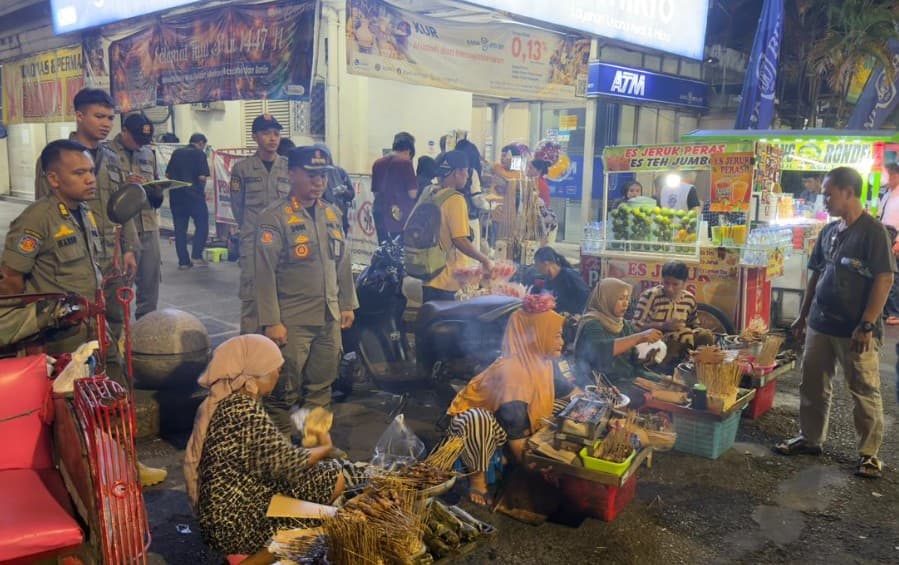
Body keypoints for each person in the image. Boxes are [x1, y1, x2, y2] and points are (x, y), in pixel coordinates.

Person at [5, 139, 166, 487]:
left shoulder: (86, 214)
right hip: (59, 338)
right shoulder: (36, 219)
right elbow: (11, 278)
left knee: (113, 397)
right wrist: (27, 328)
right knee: (69, 415)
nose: (90, 179)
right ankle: (77, 481)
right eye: (79, 173)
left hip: (93, 328)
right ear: (53, 179)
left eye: (91, 171)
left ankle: (125, 466)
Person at [185, 335, 362, 559]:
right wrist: (324, 444)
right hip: (233, 523)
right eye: (275, 370)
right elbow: (287, 465)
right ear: (257, 374)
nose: (278, 375)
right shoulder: (243, 411)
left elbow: (271, 462)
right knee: (330, 482)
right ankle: (256, 558)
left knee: (322, 475)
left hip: (231, 507)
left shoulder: (231, 401)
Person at [776, 167, 896, 479]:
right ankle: (811, 438)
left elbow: (884, 279)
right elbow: (815, 273)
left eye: (829, 194)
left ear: (848, 192)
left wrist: (867, 324)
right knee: (813, 384)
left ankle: (868, 454)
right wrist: (802, 317)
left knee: (863, 389)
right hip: (820, 323)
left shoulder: (873, 232)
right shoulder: (830, 231)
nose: (824, 199)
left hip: (854, 329)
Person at [255, 146, 358, 435]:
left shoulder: (331, 212)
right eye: (311, 175)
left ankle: (315, 446)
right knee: (282, 393)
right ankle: (283, 455)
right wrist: (271, 321)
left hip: (328, 317)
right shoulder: (274, 217)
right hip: (292, 321)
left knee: (321, 388)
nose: (319, 182)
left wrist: (347, 303)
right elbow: (263, 274)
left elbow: (342, 262)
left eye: (323, 175)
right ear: (291, 174)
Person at [445, 295, 576, 505]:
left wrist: (596, 404)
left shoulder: (541, 361)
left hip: (507, 423)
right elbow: (515, 432)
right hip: (476, 430)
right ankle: (477, 481)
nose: (562, 342)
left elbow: (569, 392)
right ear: (537, 335)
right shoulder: (513, 371)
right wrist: (539, 467)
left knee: (566, 408)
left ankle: (506, 460)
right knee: (476, 420)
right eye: (557, 336)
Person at [34, 88, 139, 345]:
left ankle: (111, 377)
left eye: (110, 118)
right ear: (79, 116)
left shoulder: (113, 159)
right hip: (73, 258)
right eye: (99, 116)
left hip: (110, 255)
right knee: (75, 324)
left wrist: (129, 249)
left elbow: (122, 208)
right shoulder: (56, 159)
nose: (106, 124)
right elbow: (44, 211)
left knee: (114, 319)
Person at [230, 114, 291, 334]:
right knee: (252, 297)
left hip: (284, 241)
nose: (272, 138)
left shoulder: (288, 167)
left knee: (283, 293)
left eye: (276, 133)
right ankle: (249, 352)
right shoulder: (242, 169)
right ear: (255, 137)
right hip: (253, 242)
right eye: (266, 133)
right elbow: (238, 207)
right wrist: (251, 228)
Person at [573, 278, 664, 405]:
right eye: (620, 298)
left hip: (625, 380)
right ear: (607, 298)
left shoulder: (624, 325)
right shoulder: (592, 323)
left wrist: (660, 378)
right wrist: (639, 337)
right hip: (600, 385)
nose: (625, 303)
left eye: (627, 298)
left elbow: (633, 365)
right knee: (646, 399)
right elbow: (600, 350)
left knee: (665, 389)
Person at [108, 113, 163, 318]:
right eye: (137, 140)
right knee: (119, 287)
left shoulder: (148, 153)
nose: (140, 146)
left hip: (148, 224)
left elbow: (155, 187)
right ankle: (121, 337)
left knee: (150, 284)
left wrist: (157, 190)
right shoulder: (106, 154)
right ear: (123, 131)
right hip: (121, 229)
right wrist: (125, 185)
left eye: (144, 141)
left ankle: (145, 334)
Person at [420, 151, 493, 303]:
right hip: (449, 281)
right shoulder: (455, 199)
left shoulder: (429, 192)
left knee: (430, 323)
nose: (467, 176)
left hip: (428, 276)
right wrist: (484, 259)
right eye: (465, 171)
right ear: (456, 172)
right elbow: (460, 239)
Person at [632, 261, 714, 366]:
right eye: (666, 283)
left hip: (681, 344)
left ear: (684, 283)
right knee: (675, 340)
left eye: (675, 284)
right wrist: (663, 326)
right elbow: (635, 326)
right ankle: (663, 373)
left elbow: (694, 324)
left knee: (705, 335)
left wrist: (691, 331)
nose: (669, 288)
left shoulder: (689, 299)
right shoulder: (650, 296)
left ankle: (702, 370)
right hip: (653, 346)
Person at [166, 133, 211, 270]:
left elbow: (168, 175)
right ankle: (196, 255)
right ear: (201, 143)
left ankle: (183, 262)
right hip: (194, 196)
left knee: (180, 229)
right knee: (202, 224)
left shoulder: (176, 153)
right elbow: (202, 177)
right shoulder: (199, 154)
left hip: (176, 196)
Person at [371, 131, 418, 243]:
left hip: (380, 212)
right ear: (409, 151)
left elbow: (376, 192)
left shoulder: (378, 163)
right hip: (399, 215)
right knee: (398, 251)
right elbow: (413, 194)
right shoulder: (405, 163)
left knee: (384, 248)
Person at [533, 246, 589, 315]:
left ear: (546, 263)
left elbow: (585, 297)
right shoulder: (548, 279)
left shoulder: (569, 276)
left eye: (537, 264)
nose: (536, 268)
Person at [316, 143, 356, 234]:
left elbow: (351, 194)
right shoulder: (309, 174)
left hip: (340, 216)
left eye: (323, 156)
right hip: (319, 218)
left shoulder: (340, 172)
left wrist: (343, 191)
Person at [877, 162, 899, 324]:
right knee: (886, 272)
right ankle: (887, 310)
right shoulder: (888, 194)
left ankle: (895, 312)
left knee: (893, 276)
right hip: (886, 235)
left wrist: (898, 242)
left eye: (890, 175)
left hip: (895, 238)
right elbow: (881, 215)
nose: (887, 178)